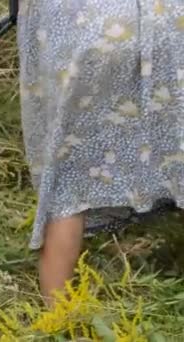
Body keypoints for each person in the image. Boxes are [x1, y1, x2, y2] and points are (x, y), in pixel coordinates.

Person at [17, 0, 184, 305]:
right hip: (169, 20)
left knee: (69, 177)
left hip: (87, 26)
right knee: (178, 146)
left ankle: (59, 316)